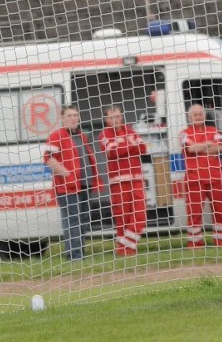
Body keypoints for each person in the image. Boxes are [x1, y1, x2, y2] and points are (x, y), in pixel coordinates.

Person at [43, 104, 104, 262]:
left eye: (75, 115)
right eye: (69, 115)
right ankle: (75, 256)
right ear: (63, 119)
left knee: (83, 219)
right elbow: (48, 158)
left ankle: (79, 252)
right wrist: (65, 173)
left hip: (84, 184)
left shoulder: (82, 136)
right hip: (67, 187)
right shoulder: (56, 136)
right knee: (73, 220)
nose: (73, 118)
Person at [98, 105, 148, 257]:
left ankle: (124, 245)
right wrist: (129, 144)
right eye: (111, 117)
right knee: (122, 218)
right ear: (106, 119)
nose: (115, 120)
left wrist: (123, 143)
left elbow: (143, 148)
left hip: (137, 180)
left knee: (140, 215)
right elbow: (112, 151)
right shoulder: (104, 134)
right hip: (118, 182)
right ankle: (125, 251)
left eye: (118, 116)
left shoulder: (130, 130)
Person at [180, 104, 222, 248]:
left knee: (219, 211)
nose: (198, 117)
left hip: (215, 176)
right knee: (194, 213)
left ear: (205, 115)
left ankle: (221, 241)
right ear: (189, 117)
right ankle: (195, 243)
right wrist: (208, 144)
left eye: (200, 114)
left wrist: (200, 147)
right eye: (195, 115)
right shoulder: (184, 133)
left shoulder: (214, 130)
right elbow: (191, 148)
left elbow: (219, 147)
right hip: (195, 178)